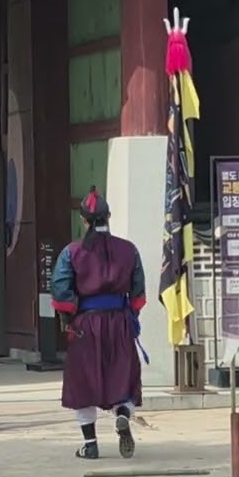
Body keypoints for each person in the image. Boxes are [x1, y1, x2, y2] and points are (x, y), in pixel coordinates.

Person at [50, 187, 148, 460]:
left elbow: (61, 291)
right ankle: (123, 413)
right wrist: (129, 317)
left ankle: (90, 444)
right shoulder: (129, 250)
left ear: (83, 220)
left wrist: (68, 318)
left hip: (85, 325)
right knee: (122, 375)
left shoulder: (72, 252)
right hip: (119, 321)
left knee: (84, 383)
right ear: (109, 218)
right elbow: (138, 294)